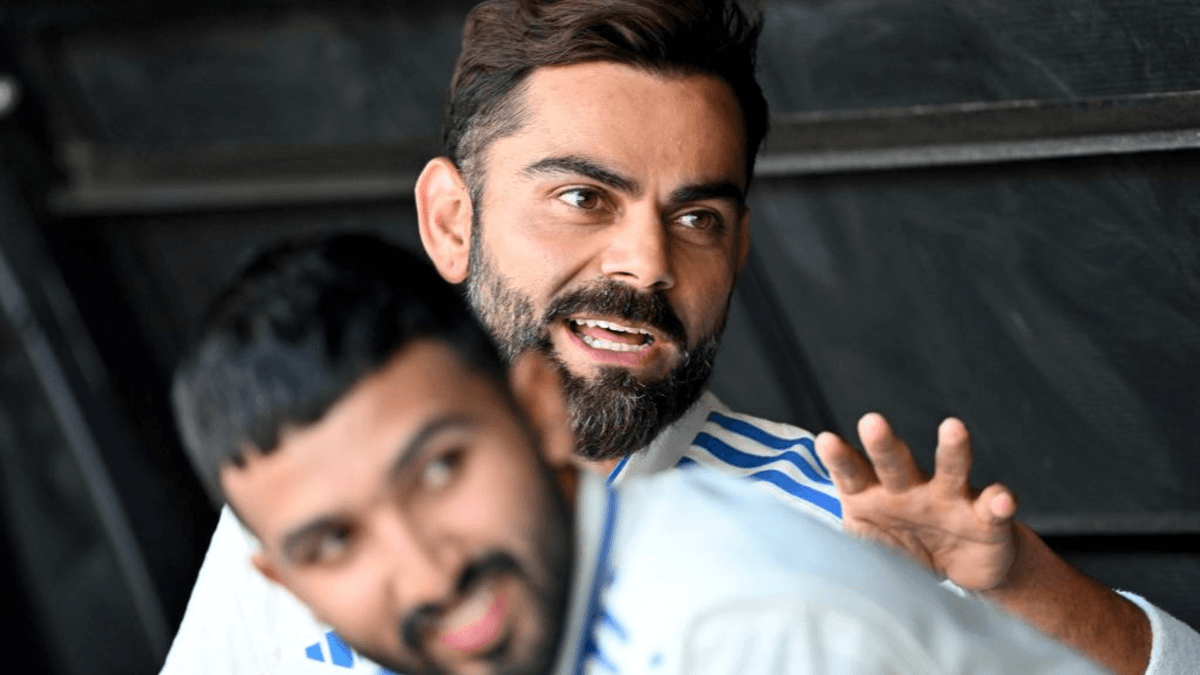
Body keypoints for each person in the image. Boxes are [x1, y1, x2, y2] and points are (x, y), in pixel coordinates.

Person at [160, 1, 1200, 674]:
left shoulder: (825, 536)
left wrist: (1016, 596)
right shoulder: (311, 492)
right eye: (581, 197)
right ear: (449, 221)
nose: (648, 265)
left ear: (738, 248)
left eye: (697, 218)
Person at [170, 233, 1111, 675]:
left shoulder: (739, 629)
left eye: (441, 471)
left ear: (541, 415)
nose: (425, 572)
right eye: (334, 542)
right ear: (281, 573)